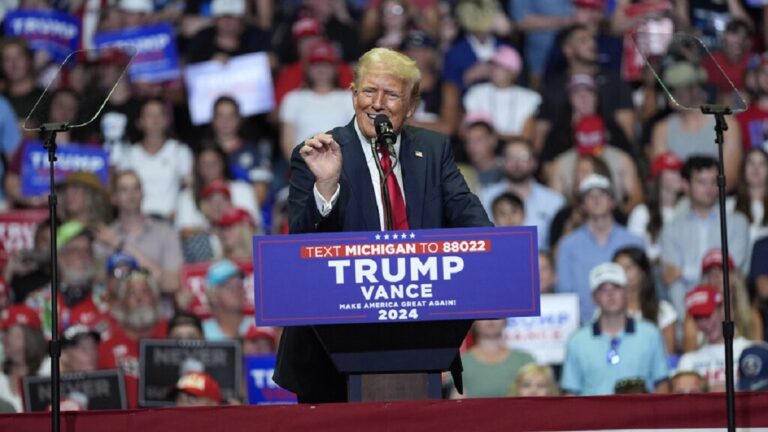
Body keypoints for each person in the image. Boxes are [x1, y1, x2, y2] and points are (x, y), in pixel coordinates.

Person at [274, 47, 492, 404]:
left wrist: (495, 249)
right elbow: (299, 249)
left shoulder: (433, 149)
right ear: (353, 94)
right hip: (328, 353)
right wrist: (326, 188)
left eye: (391, 94)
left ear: (410, 107)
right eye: (368, 91)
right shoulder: (318, 153)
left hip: (419, 339)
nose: (376, 104)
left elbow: (464, 208)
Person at [660, 156, 750, 319]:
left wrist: (683, 271)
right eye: (701, 182)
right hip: (687, 317)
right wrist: (690, 319)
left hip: (731, 315)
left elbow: (728, 273)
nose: (709, 188)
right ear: (685, 185)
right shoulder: (671, 230)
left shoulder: (738, 223)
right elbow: (673, 283)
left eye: (713, 181)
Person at [560, 262, 669, 395]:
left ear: (627, 292)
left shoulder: (650, 334)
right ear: (594, 297)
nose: (610, 295)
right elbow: (571, 391)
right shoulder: (577, 341)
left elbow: (661, 383)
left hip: (639, 413)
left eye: (616, 288)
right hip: (593, 414)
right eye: (603, 289)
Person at [555, 174, 644, 324]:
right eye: (590, 196)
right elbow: (564, 292)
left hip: (629, 323)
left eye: (602, 194)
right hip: (581, 327)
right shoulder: (568, 245)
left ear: (612, 201)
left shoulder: (634, 241)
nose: (596, 200)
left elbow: (643, 286)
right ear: (582, 205)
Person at [94, 170, 184, 297]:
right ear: (114, 198)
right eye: (124, 190)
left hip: (159, 312)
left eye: (136, 188)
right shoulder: (104, 238)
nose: (131, 195)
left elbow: (171, 284)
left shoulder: (166, 232)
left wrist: (121, 245)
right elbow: (99, 288)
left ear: (142, 194)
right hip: (118, 311)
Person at [481, 137, 565, 250]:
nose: (516, 163)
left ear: (534, 162)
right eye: (511, 157)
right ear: (502, 161)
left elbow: (560, 246)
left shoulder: (554, 202)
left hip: (541, 264)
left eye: (523, 157)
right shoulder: (485, 198)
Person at [677, 284, 753, 392]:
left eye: (707, 315)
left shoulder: (751, 350)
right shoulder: (688, 361)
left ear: (722, 309)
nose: (704, 324)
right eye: (698, 318)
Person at [613, 246, 678, 354]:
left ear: (642, 272)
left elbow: (668, 356)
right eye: (617, 269)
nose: (622, 274)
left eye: (628, 268)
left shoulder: (664, 311)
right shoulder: (606, 312)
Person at [457, 319, 536, 399]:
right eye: (484, 315)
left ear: (505, 320)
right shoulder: (461, 364)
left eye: (496, 315)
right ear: (472, 322)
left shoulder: (525, 360)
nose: (491, 320)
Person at [202, 259, 252, 340]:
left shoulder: (258, 328)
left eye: (240, 286)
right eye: (230, 287)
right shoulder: (201, 332)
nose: (237, 291)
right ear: (212, 295)